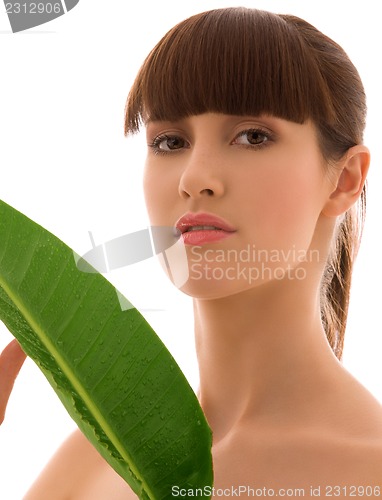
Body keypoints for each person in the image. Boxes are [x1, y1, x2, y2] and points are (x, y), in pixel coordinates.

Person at [1, 6, 381, 498]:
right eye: (170, 141)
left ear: (344, 180)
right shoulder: (94, 461)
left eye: (253, 136)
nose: (194, 178)